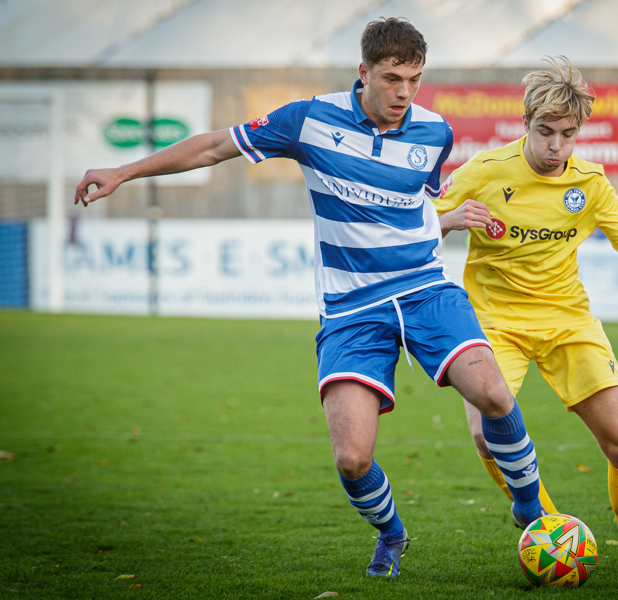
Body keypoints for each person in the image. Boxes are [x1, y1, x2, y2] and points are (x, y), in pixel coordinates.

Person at [73, 18, 547, 578]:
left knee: (492, 392)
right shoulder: (308, 120)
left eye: (415, 80)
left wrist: (445, 220)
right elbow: (212, 148)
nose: (403, 93)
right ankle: (392, 535)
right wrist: (124, 171)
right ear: (363, 72)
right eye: (392, 78)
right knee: (353, 458)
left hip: (425, 290)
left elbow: (417, 207)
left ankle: (532, 510)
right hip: (351, 309)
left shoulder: (433, 133)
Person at [436, 56, 618, 568]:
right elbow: (415, 223)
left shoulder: (592, 182)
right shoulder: (485, 171)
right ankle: (548, 529)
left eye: (567, 134)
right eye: (545, 132)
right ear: (525, 125)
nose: (555, 146)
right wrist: (448, 219)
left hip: (568, 322)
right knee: (482, 433)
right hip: (495, 324)